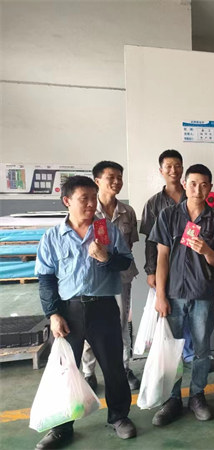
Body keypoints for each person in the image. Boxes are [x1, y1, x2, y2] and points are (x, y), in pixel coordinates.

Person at [34, 176, 136, 448]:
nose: (91, 204)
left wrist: (107, 257)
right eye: (84, 199)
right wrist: (53, 314)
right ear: (67, 201)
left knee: (113, 367)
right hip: (69, 311)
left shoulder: (106, 230)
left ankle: (119, 417)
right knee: (64, 369)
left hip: (103, 307)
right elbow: (46, 279)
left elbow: (126, 262)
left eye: (93, 198)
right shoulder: (53, 237)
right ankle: (61, 427)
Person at [149, 164, 214, 426]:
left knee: (202, 349)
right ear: (184, 184)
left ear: (210, 188)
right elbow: (162, 257)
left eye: (204, 184)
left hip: (202, 294)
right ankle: (172, 399)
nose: (198, 189)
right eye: (193, 183)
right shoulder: (168, 215)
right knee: (172, 349)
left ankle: (197, 395)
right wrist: (161, 295)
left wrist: (206, 250)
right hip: (173, 295)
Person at [81, 161, 141, 393]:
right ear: (97, 181)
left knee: (122, 324)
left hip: (121, 278)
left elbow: (129, 245)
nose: (116, 181)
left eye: (119, 177)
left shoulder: (128, 212)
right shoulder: (88, 211)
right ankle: (88, 373)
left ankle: (124, 368)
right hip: (93, 280)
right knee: (91, 326)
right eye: (111, 177)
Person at [139, 150, 194, 364]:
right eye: (168, 166)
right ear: (161, 171)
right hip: (165, 266)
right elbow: (150, 241)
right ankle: (172, 358)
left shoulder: (193, 196)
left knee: (191, 310)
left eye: (177, 165)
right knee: (170, 311)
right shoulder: (153, 203)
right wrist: (151, 270)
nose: (173, 170)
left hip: (192, 267)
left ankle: (190, 353)